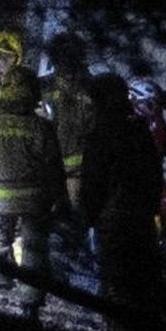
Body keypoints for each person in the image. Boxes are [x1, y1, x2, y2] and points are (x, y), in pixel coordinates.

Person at [0, 31, 64, 313]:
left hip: (0, 200)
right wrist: (58, 199)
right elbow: (53, 167)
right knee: (34, 250)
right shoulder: (41, 127)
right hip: (36, 201)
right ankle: (30, 305)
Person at [79, 73, 166, 330]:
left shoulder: (102, 135)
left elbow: (93, 185)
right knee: (143, 283)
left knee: (116, 285)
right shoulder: (139, 132)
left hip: (115, 223)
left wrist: (86, 217)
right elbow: (154, 177)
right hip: (141, 221)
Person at [39, 32, 96, 215]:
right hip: (52, 170)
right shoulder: (43, 88)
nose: (65, 63)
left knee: (80, 218)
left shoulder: (92, 86)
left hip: (85, 170)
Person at [127, 77, 166, 238]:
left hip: (153, 182)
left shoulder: (153, 121)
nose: (156, 109)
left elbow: (163, 146)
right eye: (152, 104)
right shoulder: (135, 124)